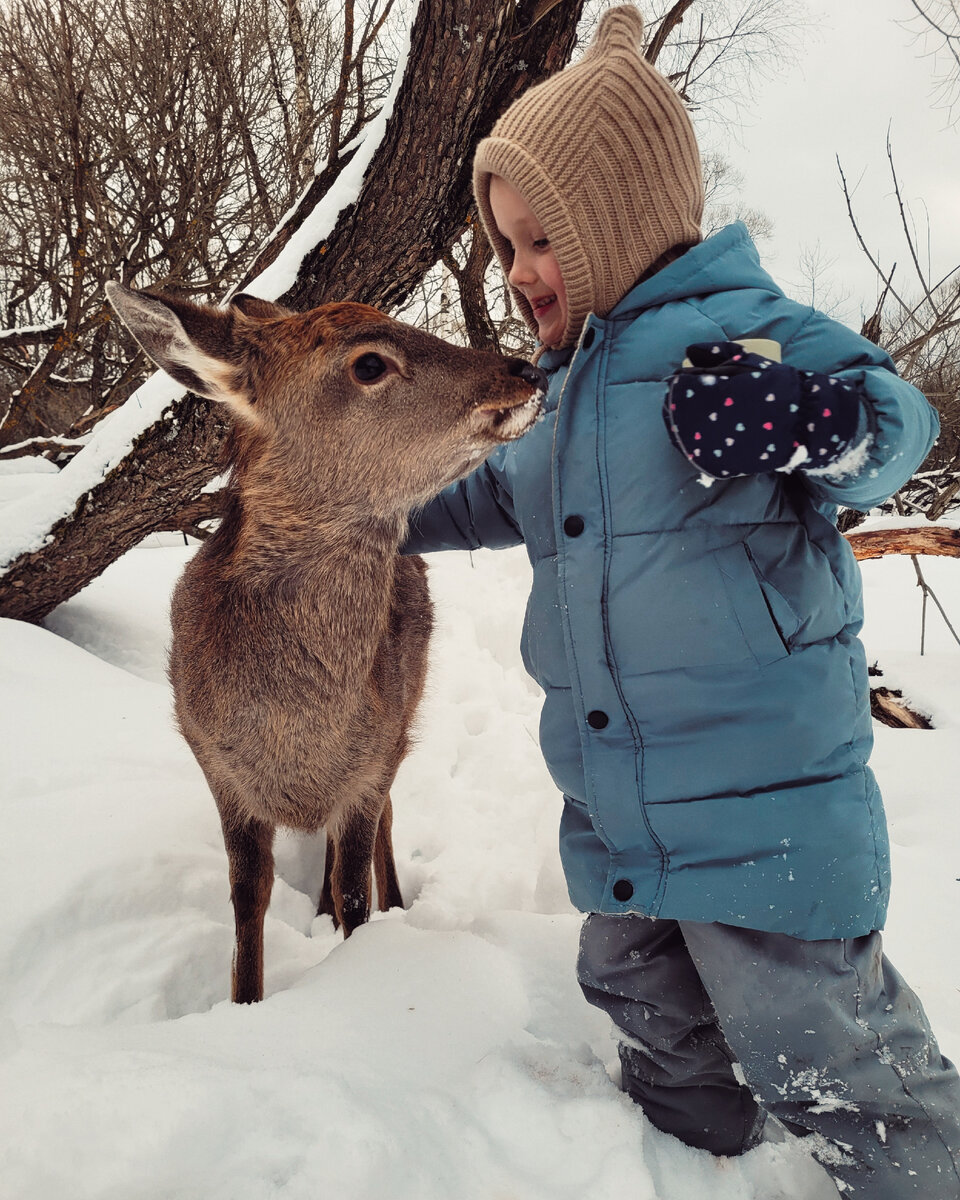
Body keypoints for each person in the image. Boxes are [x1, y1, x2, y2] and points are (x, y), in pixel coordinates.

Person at [404, 7, 960, 1195]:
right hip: (622, 805)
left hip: (769, 807)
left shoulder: (746, 340)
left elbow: (898, 425)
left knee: (822, 1037)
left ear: (617, 222)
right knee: (638, 989)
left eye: (539, 241)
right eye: (504, 248)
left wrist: (816, 425)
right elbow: (493, 495)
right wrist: (374, 519)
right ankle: (689, 1152)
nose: (517, 274)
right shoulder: (565, 397)